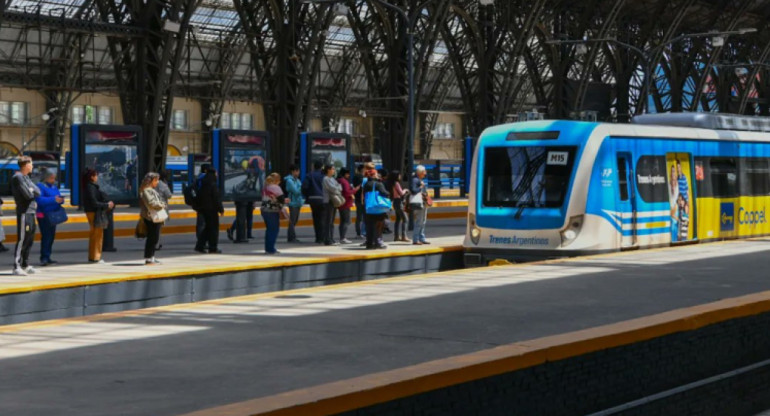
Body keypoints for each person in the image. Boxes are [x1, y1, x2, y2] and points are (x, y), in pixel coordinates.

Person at [11, 156, 41, 275]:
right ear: (26, 165)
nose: (32, 166)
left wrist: (31, 189)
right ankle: (16, 266)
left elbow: (37, 191)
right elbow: (27, 195)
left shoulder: (26, 177)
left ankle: (25, 264)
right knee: (22, 239)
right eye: (31, 164)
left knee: (30, 239)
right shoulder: (18, 178)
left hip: (31, 211)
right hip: (24, 212)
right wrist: (31, 190)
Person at [83, 168, 115, 264]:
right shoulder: (90, 187)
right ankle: (95, 257)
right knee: (97, 235)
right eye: (95, 175)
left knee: (95, 235)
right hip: (94, 212)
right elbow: (94, 202)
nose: (97, 177)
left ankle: (93, 256)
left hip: (92, 211)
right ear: (92, 177)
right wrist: (106, 205)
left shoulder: (89, 186)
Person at [35, 170, 65, 266]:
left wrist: (60, 200)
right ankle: (44, 257)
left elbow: (58, 196)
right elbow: (39, 200)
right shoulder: (40, 186)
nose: (53, 180)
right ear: (46, 177)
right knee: (46, 236)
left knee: (51, 236)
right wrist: (54, 199)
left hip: (53, 215)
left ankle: (48, 256)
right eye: (51, 177)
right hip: (43, 215)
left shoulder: (54, 187)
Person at [139, 172, 166, 265]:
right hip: (150, 217)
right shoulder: (146, 191)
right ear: (151, 181)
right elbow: (152, 203)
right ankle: (148, 258)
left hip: (153, 217)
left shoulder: (150, 190)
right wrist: (162, 205)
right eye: (156, 180)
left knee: (155, 238)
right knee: (152, 237)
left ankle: (152, 257)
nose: (157, 182)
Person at [195, 168, 224, 254]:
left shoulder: (204, 183)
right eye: (216, 173)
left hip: (203, 209)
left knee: (208, 228)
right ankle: (213, 248)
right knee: (214, 229)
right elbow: (216, 199)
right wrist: (221, 209)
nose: (217, 175)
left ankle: (200, 246)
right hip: (212, 210)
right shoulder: (213, 184)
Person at [363, 166, 389, 249]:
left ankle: (369, 243)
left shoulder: (366, 184)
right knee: (379, 226)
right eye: (377, 174)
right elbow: (384, 193)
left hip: (369, 208)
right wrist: (388, 193)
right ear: (374, 175)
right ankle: (378, 242)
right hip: (378, 208)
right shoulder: (378, 184)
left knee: (369, 226)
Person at [261, 173, 285, 254]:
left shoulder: (265, 187)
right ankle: (271, 249)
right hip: (272, 211)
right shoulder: (276, 187)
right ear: (277, 180)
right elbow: (281, 199)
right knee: (274, 230)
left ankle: (268, 248)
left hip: (264, 210)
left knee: (269, 230)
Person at [302, 161, 325, 243]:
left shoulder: (309, 175)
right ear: (322, 167)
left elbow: (304, 187)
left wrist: (307, 196)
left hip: (312, 200)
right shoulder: (323, 176)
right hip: (322, 199)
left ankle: (318, 237)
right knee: (323, 218)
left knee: (316, 219)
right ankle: (322, 237)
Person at [322, 164, 342, 246]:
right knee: (328, 221)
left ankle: (331, 238)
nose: (334, 170)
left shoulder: (333, 179)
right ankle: (327, 239)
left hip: (333, 201)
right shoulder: (326, 179)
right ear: (328, 170)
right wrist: (337, 188)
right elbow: (332, 188)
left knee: (332, 221)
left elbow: (340, 187)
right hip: (328, 201)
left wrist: (337, 188)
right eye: (333, 169)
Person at [386, 171, 409, 242]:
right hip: (399, 202)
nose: (400, 176)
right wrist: (405, 190)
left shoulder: (390, 184)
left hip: (394, 202)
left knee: (398, 219)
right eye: (399, 175)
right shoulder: (396, 183)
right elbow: (401, 193)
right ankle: (404, 236)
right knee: (405, 219)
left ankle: (396, 236)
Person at [410, 165, 430, 245]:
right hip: (419, 203)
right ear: (420, 172)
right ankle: (415, 239)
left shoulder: (419, 179)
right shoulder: (415, 180)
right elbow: (413, 190)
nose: (425, 173)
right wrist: (421, 187)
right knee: (419, 221)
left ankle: (422, 238)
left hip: (423, 203)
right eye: (424, 171)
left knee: (423, 221)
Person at [284, 165, 304, 243]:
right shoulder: (289, 181)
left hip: (298, 202)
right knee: (292, 220)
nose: (298, 173)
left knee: (295, 220)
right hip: (293, 203)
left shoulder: (297, 180)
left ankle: (292, 236)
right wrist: (301, 188)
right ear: (293, 171)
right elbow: (296, 191)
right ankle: (291, 237)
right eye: (297, 171)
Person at [337, 168, 357, 244]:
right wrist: (354, 190)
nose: (348, 175)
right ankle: (343, 237)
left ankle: (342, 237)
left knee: (342, 221)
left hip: (342, 203)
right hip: (345, 203)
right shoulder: (344, 181)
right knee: (345, 221)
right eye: (347, 174)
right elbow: (347, 192)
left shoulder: (339, 180)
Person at [155, 169, 173, 251]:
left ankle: (157, 243)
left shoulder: (154, 183)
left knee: (154, 227)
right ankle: (156, 244)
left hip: (153, 207)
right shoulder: (164, 185)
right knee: (158, 228)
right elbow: (169, 195)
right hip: (161, 208)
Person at [194, 164, 210, 251]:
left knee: (200, 224)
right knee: (204, 224)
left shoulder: (198, 177)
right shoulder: (205, 178)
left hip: (199, 203)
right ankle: (202, 242)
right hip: (205, 203)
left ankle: (200, 241)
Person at [352, 164, 365, 239]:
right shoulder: (362, 178)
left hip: (357, 199)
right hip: (362, 199)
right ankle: (362, 232)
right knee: (363, 217)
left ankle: (358, 233)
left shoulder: (355, 177)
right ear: (362, 169)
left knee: (359, 217)